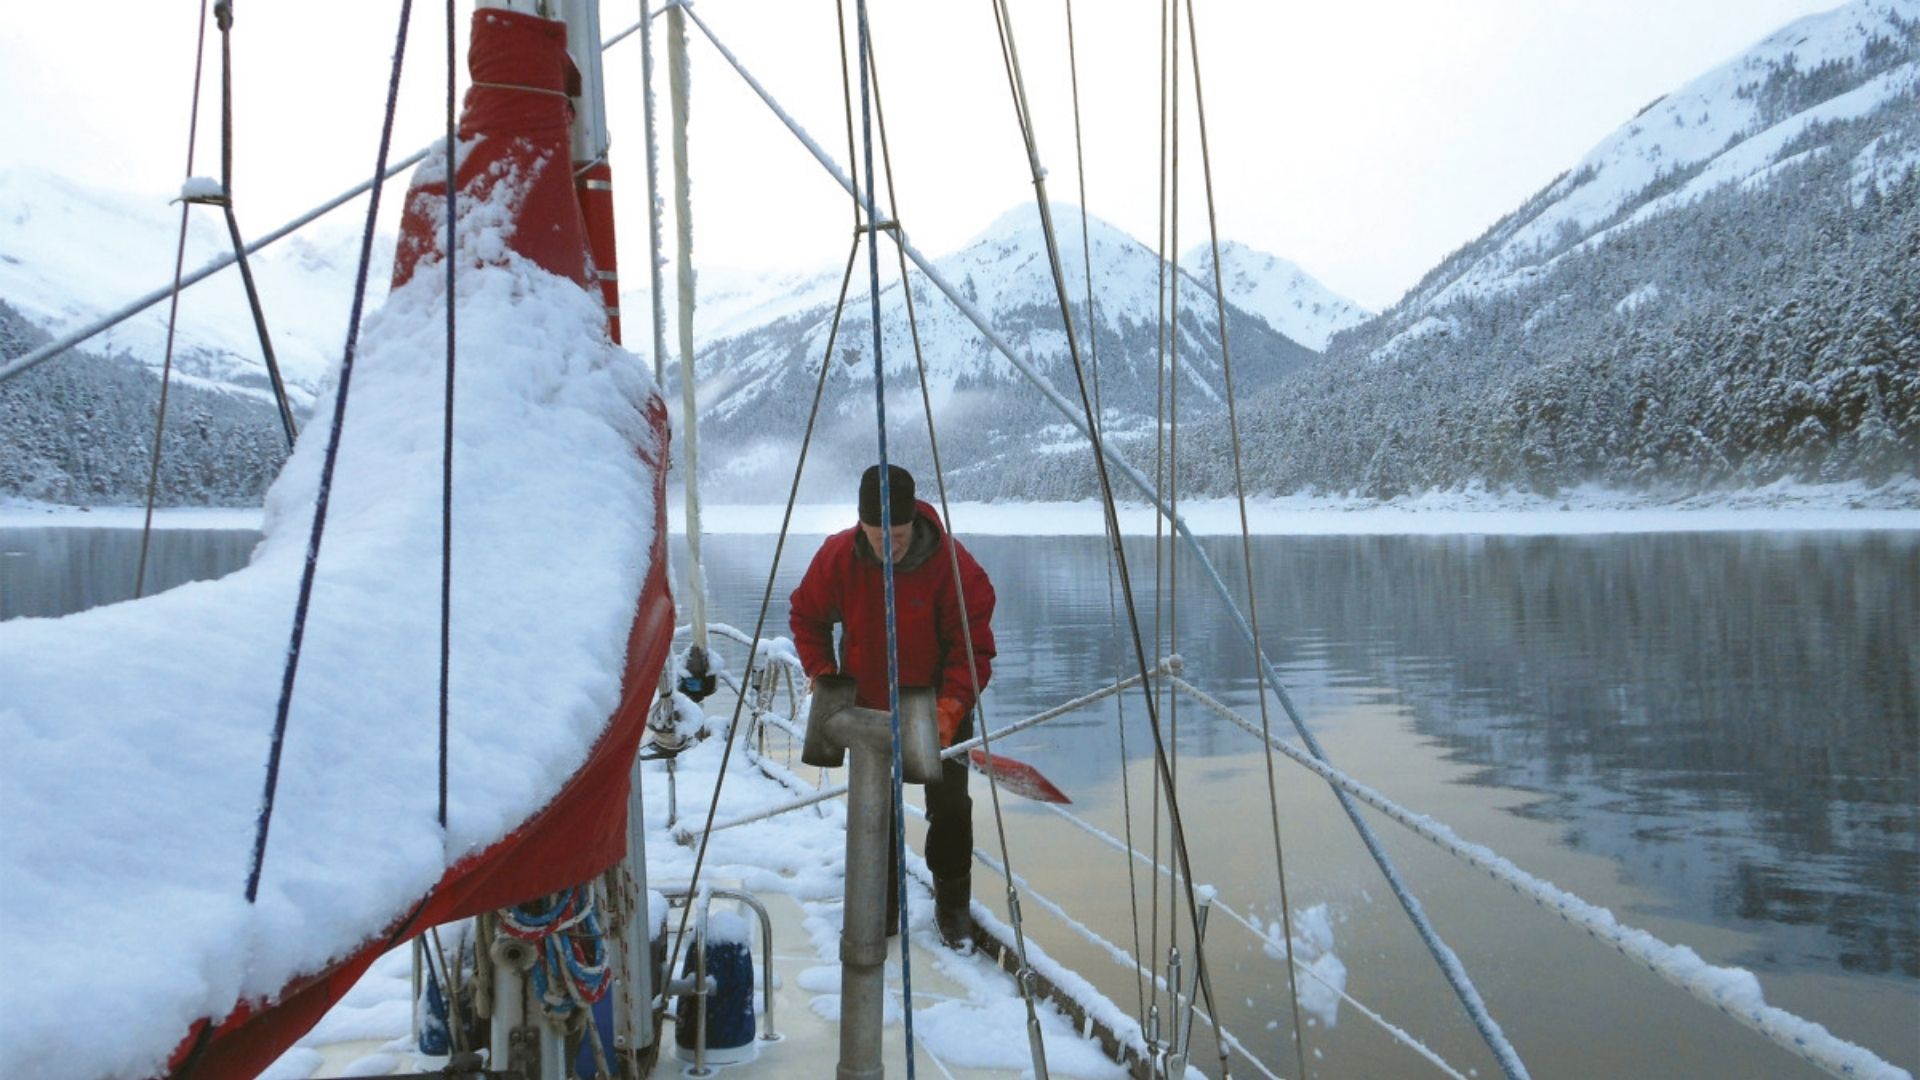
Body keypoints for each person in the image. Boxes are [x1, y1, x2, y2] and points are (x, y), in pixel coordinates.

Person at [789, 464, 996, 951]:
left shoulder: (954, 566)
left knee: (949, 808)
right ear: (862, 526)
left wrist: (951, 707)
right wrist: (822, 675)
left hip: (938, 703)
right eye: (879, 536)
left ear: (913, 524)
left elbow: (973, 651)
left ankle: (952, 906)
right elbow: (806, 616)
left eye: (898, 536)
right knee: (872, 809)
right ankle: (879, 910)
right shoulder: (838, 556)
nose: (889, 546)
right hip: (866, 706)